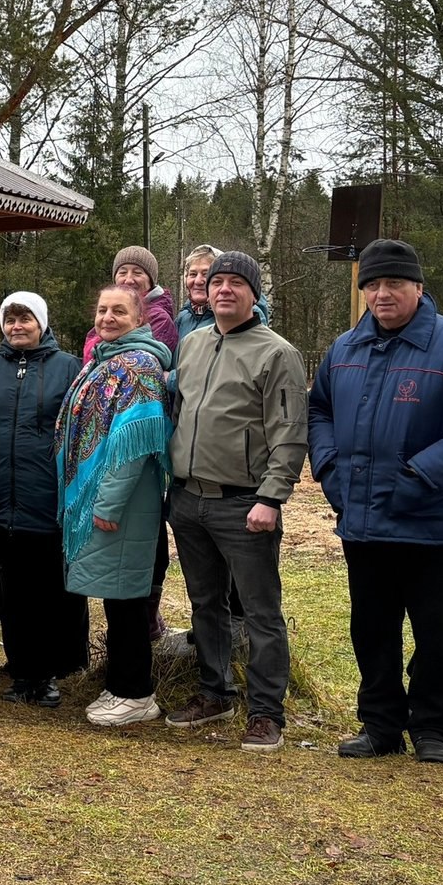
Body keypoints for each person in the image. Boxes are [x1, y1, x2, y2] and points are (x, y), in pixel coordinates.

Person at [308, 239, 443, 764]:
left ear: (419, 288)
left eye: (394, 283)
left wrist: (421, 474)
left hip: (435, 522)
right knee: (371, 627)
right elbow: (319, 412)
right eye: (372, 285)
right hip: (364, 520)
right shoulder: (345, 348)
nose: (382, 294)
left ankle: (433, 727)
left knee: (436, 629)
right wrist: (330, 469)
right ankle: (379, 725)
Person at [160, 251, 307, 751]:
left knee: (261, 612)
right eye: (216, 281)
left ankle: (266, 712)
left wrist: (271, 497)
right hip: (188, 499)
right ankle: (213, 691)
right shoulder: (193, 344)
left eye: (235, 283)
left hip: (244, 504)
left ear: (253, 293)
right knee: (206, 604)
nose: (223, 289)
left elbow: (289, 433)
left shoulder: (277, 353)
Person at [58, 286, 172, 729]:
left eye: (119, 311)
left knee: (127, 598)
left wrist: (106, 504)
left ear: (140, 316)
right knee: (116, 593)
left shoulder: (140, 366)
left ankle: (136, 692)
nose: (107, 317)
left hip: (123, 503)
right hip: (105, 500)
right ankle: (121, 684)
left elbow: (134, 446)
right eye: (102, 308)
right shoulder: (103, 360)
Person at [0, 290, 85, 708]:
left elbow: (79, 436)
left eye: (26, 319)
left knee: (48, 591)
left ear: (42, 323)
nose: (17, 327)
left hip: (47, 500)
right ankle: (20, 672)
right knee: (11, 593)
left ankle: (48, 673)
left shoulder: (68, 367)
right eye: (10, 319)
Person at [84, 247, 177, 361]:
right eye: (122, 272)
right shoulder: (108, 314)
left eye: (137, 273)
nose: (128, 280)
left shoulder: (159, 319)